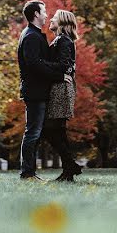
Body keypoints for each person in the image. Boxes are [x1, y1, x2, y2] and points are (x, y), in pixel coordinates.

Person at [17, 0, 65, 180]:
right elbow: (34, 65)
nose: (46, 15)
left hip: (38, 91)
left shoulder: (35, 35)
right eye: (44, 11)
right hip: (34, 92)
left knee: (35, 132)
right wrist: (59, 76)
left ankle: (29, 172)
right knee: (33, 132)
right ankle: (27, 173)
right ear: (36, 14)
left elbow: (40, 62)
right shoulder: (30, 36)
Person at [42, 9, 83, 182]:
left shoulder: (64, 41)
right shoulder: (61, 40)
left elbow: (63, 65)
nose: (51, 19)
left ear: (63, 23)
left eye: (55, 18)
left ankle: (70, 165)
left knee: (50, 129)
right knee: (58, 130)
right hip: (59, 86)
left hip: (61, 88)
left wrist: (40, 62)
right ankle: (69, 172)